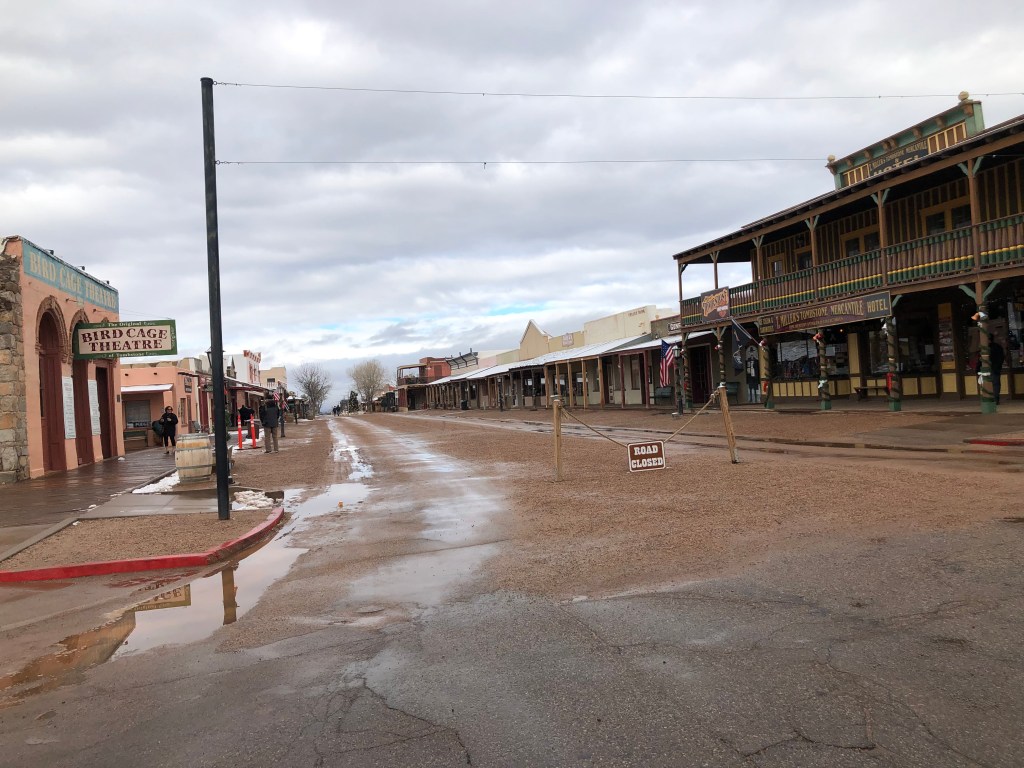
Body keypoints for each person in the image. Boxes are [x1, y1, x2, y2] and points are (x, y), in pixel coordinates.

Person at [990, 339, 1005, 405]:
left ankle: (993, 399)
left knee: (994, 384)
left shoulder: (990, 348)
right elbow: (1001, 357)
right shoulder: (998, 347)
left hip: (993, 368)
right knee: (996, 384)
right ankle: (995, 399)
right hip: (995, 368)